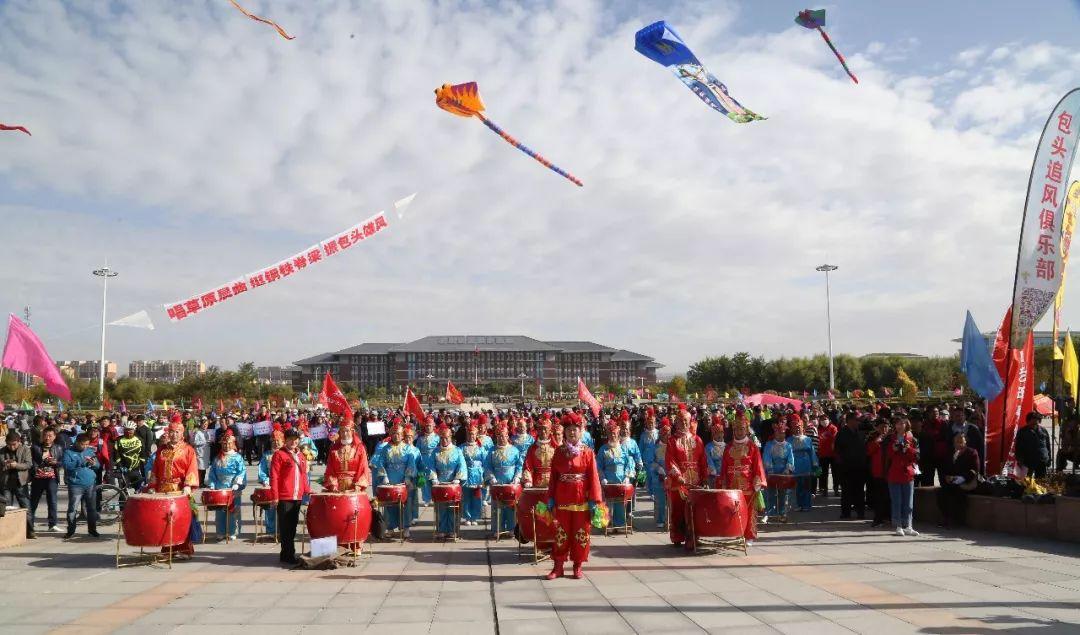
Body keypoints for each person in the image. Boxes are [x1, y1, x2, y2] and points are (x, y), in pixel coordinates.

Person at [545, 415, 603, 580]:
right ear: (565, 432)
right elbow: (553, 478)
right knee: (560, 533)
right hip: (562, 498)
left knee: (581, 533)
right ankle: (558, 566)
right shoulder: (558, 452)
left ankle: (577, 565)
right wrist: (550, 498)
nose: (571, 432)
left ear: (581, 431)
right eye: (569, 430)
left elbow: (593, 477)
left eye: (575, 430)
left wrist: (594, 500)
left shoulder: (588, 452)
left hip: (581, 500)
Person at [146, 419, 200, 557]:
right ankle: (167, 549)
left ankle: (184, 548)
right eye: (172, 432)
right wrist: (152, 485)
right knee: (164, 520)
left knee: (180, 519)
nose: (174, 434)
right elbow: (155, 469)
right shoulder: (161, 451)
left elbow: (192, 469)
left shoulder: (188, 450)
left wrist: (188, 485)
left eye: (177, 432)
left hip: (179, 489)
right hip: (163, 490)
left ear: (182, 433)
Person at [664, 407, 708, 549]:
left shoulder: (698, 440)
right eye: (680, 421)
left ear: (690, 422)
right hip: (679, 482)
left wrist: (705, 478)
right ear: (676, 423)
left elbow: (703, 460)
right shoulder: (672, 441)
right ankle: (677, 536)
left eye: (686, 420)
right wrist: (677, 476)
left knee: (695, 511)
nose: (683, 423)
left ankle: (694, 537)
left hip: (695, 481)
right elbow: (670, 461)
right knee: (678, 510)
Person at [720, 416, 767, 545]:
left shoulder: (752, 447)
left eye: (742, 429)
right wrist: (723, 481)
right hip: (732, 484)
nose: (739, 432)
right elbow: (724, 467)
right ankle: (737, 532)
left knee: (750, 510)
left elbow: (758, 465)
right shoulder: (728, 447)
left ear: (746, 429)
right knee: (735, 510)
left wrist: (758, 481)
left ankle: (749, 535)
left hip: (748, 484)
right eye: (736, 429)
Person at [371, 422, 419, 537]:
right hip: (390, 481)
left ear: (402, 435)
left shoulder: (408, 449)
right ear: (391, 434)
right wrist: (384, 477)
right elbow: (380, 463)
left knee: (405, 504)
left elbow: (411, 464)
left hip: (404, 481)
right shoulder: (385, 449)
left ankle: (406, 527)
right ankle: (390, 527)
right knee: (389, 505)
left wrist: (408, 477)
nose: (396, 436)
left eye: (398, 434)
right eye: (394, 433)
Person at [270, 428, 310, 565]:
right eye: (290, 439)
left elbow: (304, 475)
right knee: (285, 527)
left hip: (297, 496)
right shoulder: (279, 455)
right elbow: (274, 477)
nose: (293, 441)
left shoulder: (301, 456)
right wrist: (275, 496)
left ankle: (285, 554)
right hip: (284, 496)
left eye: (295, 439)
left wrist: (307, 490)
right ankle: (288, 554)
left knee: (292, 527)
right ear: (285, 440)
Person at [484, 422, 523, 537]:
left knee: (511, 507)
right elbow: (487, 466)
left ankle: (512, 529)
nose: (501, 438)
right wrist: (491, 478)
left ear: (507, 436)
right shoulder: (491, 451)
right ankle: (497, 528)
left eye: (504, 436)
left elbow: (519, 465)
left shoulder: (515, 450)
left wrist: (517, 477)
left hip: (511, 482)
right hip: (497, 482)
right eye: (499, 436)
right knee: (497, 506)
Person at [428, 423, 466, 539]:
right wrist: (433, 477)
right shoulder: (435, 452)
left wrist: (458, 478)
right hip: (440, 483)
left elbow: (462, 465)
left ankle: (453, 529)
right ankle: (441, 529)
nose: (444, 440)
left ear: (451, 438)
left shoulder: (457, 450)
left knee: (453, 508)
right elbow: (431, 466)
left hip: (453, 483)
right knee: (440, 508)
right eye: (442, 438)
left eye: (446, 438)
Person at [206, 432, 246, 540]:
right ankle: (221, 532)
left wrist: (237, 483)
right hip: (220, 487)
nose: (226, 446)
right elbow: (212, 473)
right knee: (220, 512)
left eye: (228, 443)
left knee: (232, 511)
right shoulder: (217, 458)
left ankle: (232, 531)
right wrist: (212, 484)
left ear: (233, 444)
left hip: (233, 488)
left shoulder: (237, 458)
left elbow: (241, 472)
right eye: (224, 444)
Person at [937, 432, 980, 528]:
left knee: (958, 494)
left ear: (965, 442)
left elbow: (974, 470)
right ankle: (946, 517)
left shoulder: (971, 452)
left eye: (961, 441)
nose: (959, 443)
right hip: (951, 481)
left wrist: (962, 478)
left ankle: (956, 520)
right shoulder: (949, 452)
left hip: (965, 482)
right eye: (957, 441)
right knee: (941, 493)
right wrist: (946, 477)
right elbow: (943, 468)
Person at [886, 418, 920, 537]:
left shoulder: (912, 439)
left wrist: (908, 449)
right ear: (895, 425)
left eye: (903, 423)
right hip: (894, 474)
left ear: (907, 425)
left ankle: (908, 525)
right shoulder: (890, 438)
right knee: (897, 501)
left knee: (908, 503)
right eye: (898, 423)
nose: (900, 425)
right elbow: (886, 456)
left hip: (908, 474)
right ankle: (898, 525)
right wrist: (893, 449)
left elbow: (916, 456)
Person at [597, 422, 634, 529]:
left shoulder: (623, 448)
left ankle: (620, 524)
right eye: (610, 433)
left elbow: (629, 463)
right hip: (608, 481)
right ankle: (606, 523)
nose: (612, 435)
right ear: (607, 434)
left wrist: (627, 476)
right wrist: (602, 477)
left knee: (620, 503)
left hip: (621, 480)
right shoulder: (603, 449)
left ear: (618, 434)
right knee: (607, 504)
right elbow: (598, 465)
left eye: (614, 433)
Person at [62, 434, 99, 539]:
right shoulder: (68, 452)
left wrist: (93, 464)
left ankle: (92, 530)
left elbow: (98, 465)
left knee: (91, 508)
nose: (86, 447)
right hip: (75, 484)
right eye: (83, 444)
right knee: (73, 508)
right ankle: (71, 530)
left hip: (90, 483)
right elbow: (66, 466)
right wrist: (81, 461)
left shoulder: (90, 451)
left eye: (87, 444)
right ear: (77, 442)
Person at [31, 427, 64, 535]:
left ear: (54, 436)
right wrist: (42, 458)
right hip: (38, 477)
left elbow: (62, 462)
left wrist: (56, 463)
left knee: (53, 501)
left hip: (52, 477)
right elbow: (31, 462)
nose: (47, 438)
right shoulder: (35, 447)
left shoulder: (58, 448)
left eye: (50, 435)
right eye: (45, 435)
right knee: (33, 502)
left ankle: (52, 524)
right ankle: (29, 524)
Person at [835, 412, 868, 520]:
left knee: (859, 491)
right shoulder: (841, 433)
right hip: (846, 468)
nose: (858, 422)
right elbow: (837, 450)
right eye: (856, 420)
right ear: (849, 421)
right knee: (846, 491)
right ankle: (846, 513)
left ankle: (860, 512)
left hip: (859, 467)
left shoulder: (860, 433)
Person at [1, 431, 33, 538]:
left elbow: (28, 464)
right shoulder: (2, 451)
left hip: (21, 483)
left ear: (19, 442)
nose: (11, 447)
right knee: (6, 509)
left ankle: (30, 530)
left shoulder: (25, 449)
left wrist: (16, 465)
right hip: (6, 483)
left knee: (26, 507)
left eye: (14, 444)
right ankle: (7, 533)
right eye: (9, 444)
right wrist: (4, 465)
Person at [762, 421, 795, 523]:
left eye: (783, 433)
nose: (782, 435)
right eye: (779, 433)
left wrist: (787, 470)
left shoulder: (788, 446)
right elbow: (767, 457)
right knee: (770, 493)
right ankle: (770, 513)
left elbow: (791, 459)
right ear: (775, 433)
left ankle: (782, 513)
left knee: (783, 494)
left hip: (783, 473)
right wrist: (770, 469)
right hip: (772, 473)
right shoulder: (769, 445)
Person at [324, 423, 370, 493]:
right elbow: (330, 470)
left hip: (355, 488)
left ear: (352, 431)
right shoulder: (334, 449)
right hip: (337, 488)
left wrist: (358, 486)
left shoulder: (359, 448)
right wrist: (333, 485)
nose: (345, 434)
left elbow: (364, 468)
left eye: (347, 431)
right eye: (342, 431)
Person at [460, 421, 489, 526]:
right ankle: (467, 517)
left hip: (478, 475)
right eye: (469, 434)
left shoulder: (481, 448)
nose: (471, 436)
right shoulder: (461, 448)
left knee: (477, 497)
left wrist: (485, 477)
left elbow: (486, 463)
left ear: (476, 435)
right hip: (466, 474)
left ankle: (475, 517)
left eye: (473, 434)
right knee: (466, 497)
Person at [257, 429, 284, 536]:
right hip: (270, 485)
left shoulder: (286, 454)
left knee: (283, 509)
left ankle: (283, 531)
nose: (276, 443)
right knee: (270, 509)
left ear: (283, 441)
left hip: (284, 486)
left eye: (278, 441)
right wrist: (265, 480)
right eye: (273, 441)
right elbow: (262, 470)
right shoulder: (266, 455)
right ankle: (271, 531)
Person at [789, 417, 819, 512]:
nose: (797, 429)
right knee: (796, 487)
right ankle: (797, 504)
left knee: (806, 486)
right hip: (794, 465)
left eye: (799, 427)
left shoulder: (808, 439)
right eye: (795, 427)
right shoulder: (788, 440)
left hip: (806, 465)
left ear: (802, 428)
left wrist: (815, 464)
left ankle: (806, 505)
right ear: (792, 429)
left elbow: (812, 452)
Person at [867, 419, 891, 528]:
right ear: (876, 427)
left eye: (886, 426)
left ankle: (888, 517)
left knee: (888, 496)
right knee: (879, 496)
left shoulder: (892, 438)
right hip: (878, 471)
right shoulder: (872, 437)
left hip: (890, 471)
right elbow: (868, 451)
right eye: (882, 426)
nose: (884, 429)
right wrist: (877, 441)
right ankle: (878, 518)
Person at [1015, 412, 1051, 479]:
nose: (1034, 425)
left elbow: (1047, 445)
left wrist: (1049, 459)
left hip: (1042, 460)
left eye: (1036, 423)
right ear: (1028, 422)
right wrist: (1019, 459)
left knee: (1041, 480)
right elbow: (1018, 447)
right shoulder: (1022, 432)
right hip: (1028, 461)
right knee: (1027, 481)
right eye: (1032, 423)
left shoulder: (1043, 430)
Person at [523, 417, 556, 488]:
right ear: (537, 430)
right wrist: (528, 480)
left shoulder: (555, 447)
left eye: (545, 429)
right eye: (540, 429)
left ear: (550, 430)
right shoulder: (532, 448)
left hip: (553, 481)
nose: (543, 431)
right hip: (537, 482)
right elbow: (528, 466)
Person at [650, 418, 671, 529]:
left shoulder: (673, 446)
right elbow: (651, 462)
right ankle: (660, 519)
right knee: (660, 500)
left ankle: (671, 519)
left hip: (671, 475)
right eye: (665, 434)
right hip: (658, 477)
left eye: (669, 434)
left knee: (671, 500)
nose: (667, 436)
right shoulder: (655, 446)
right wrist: (658, 469)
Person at [114, 421, 145, 492]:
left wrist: (142, 466)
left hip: (136, 470)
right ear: (124, 430)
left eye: (131, 429)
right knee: (123, 492)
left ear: (134, 430)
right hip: (124, 470)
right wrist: (120, 466)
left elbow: (143, 454)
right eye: (126, 430)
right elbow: (116, 454)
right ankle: (122, 503)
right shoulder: (119, 440)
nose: (129, 431)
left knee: (139, 490)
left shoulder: (139, 439)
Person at [415, 416, 440, 506]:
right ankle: (426, 499)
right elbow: (417, 450)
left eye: (430, 425)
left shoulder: (437, 437)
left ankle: (435, 497)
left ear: (433, 426)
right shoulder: (421, 438)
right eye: (427, 426)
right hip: (423, 459)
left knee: (434, 479)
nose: (428, 427)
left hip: (434, 459)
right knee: (424, 480)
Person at [816, 415, 838, 496]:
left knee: (835, 473)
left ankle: (836, 489)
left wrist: (828, 435)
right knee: (823, 473)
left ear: (829, 419)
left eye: (825, 419)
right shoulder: (818, 429)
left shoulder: (833, 428)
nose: (824, 421)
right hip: (822, 454)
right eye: (822, 420)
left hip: (833, 454)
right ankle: (824, 489)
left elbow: (835, 439)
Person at [190, 419, 212, 487]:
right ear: (201, 424)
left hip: (206, 453)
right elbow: (194, 442)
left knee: (204, 469)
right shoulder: (197, 432)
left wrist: (210, 442)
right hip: (200, 453)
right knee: (200, 469)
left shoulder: (207, 432)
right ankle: (199, 482)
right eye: (204, 424)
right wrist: (204, 442)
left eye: (206, 424)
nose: (205, 425)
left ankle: (202, 482)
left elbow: (208, 441)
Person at [705, 421, 725, 487]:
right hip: (713, 477)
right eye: (716, 433)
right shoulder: (708, 447)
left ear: (723, 434)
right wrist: (714, 472)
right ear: (713, 435)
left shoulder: (727, 447)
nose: (719, 435)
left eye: (721, 433)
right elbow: (708, 460)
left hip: (725, 477)